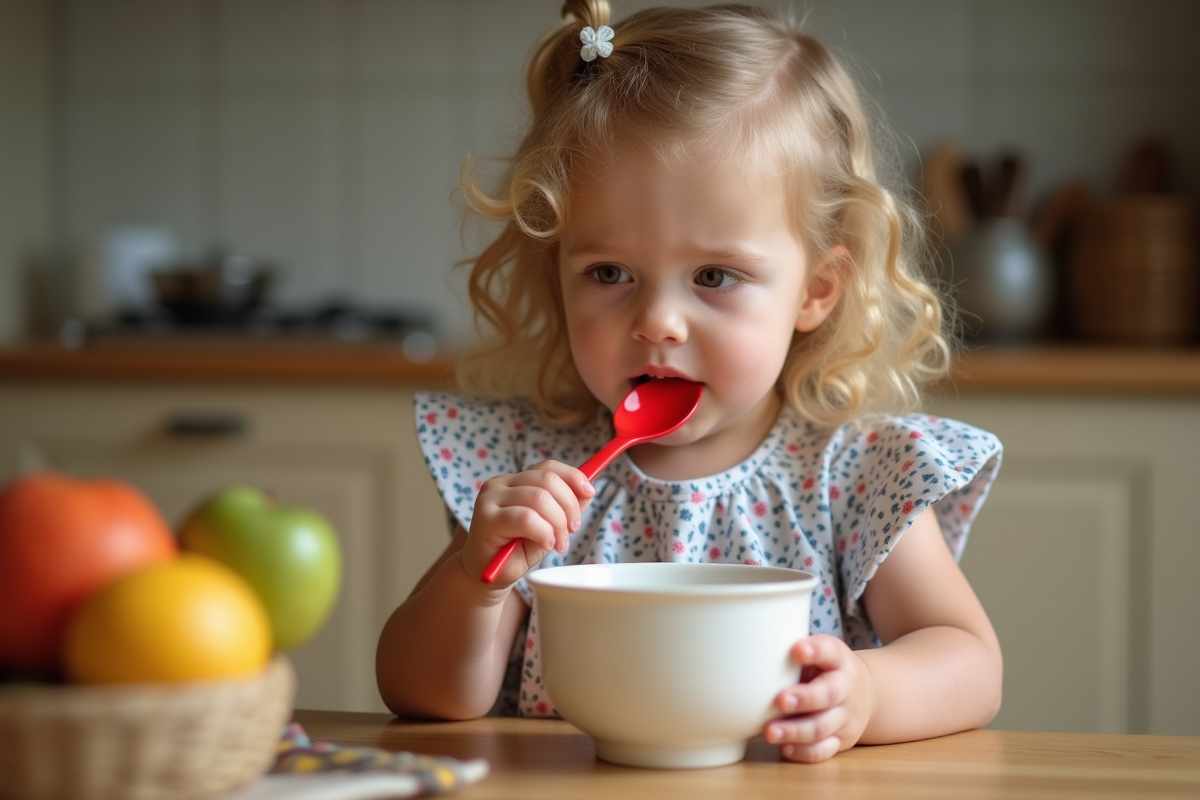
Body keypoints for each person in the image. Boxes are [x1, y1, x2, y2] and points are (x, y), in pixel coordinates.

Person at [377, 0, 1003, 764]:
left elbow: (971, 663)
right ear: (558, 275)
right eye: (609, 273)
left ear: (816, 290)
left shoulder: (855, 474)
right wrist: (476, 584)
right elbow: (425, 695)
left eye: (714, 275)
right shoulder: (530, 470)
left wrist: (869, 693)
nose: (658, 322)